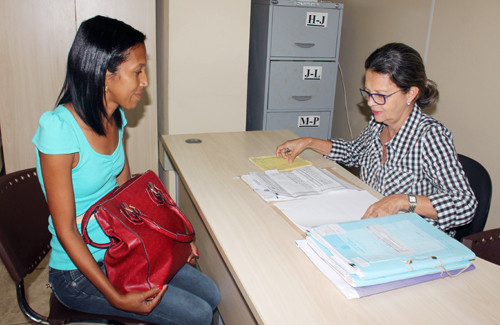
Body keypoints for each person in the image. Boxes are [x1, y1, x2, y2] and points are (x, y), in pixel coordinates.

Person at [32, 15, 219, 324]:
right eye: (138, 71)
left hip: (121, 251)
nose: (144, 82)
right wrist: (115, 296)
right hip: (78, 273)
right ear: (106, 75)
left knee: (211, 293)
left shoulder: (115, 117)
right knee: (197, 313)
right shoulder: (58, 130)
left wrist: (170, 241)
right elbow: (65, 229)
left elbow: (127, 196)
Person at [276, 42, 477, 237]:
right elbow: (353, 152)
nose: (371, 103)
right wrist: (309, 142)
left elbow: (464, 204)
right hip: (374, 227)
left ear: (411, 93)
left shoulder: (430, 136)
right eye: (368, 93)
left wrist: (402, 201)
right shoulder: (379, 122)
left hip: (414, 237)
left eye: (380, 95)